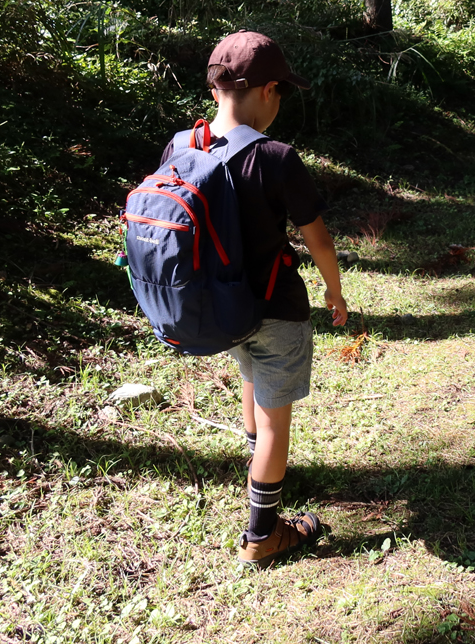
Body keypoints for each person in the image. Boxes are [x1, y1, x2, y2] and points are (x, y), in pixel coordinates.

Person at [163, 29, 349, 568]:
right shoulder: (275, 156)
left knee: (252, 377)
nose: (281, 101)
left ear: (217, 87)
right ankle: (263, 535)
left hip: (221, 308)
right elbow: (318, 238)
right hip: (275, 308)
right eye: (283, 91)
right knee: (275, 422)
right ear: (267, 90)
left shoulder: (181, 145)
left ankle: (258, 466)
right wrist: (334, 291)